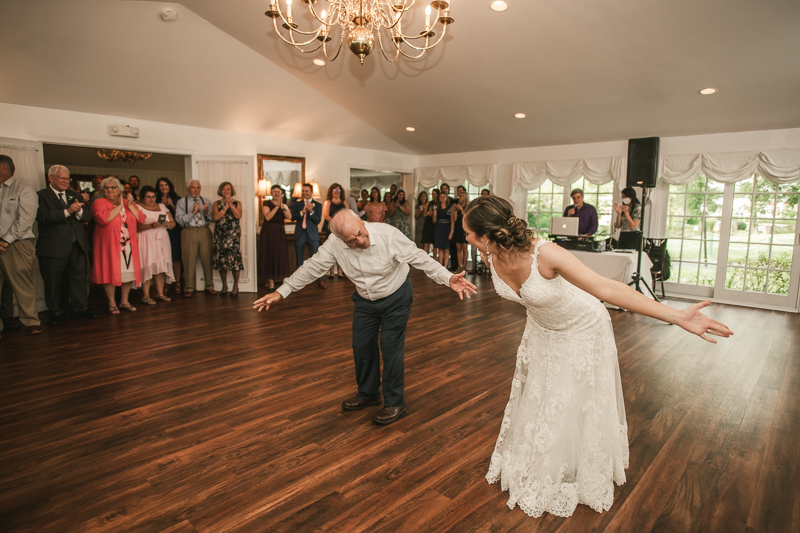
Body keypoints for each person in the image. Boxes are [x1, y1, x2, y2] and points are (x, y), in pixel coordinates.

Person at [462, 195, 732, 518]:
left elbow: (607, 289)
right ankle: (543, 456)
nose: (464, 237)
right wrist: (450, 278)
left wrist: (675, 316)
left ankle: (574, 465)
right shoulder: (490, 256)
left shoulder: (544, 254)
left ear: (488, 235)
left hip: (582, 326)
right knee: (541, 395)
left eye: (468, 233)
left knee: (569, 396)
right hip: (541, 330)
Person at [253, 209, 477, 425]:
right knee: (361, 346)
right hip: (364, 300)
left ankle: (395, 403)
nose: (359, 241)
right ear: (341, 239)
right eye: (351, 240)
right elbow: (313, 267)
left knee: (390, 347)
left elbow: (419, 258)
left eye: (360, 234)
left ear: (362, 222)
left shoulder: (388, 234)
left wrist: (448, 278)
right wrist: (282, 291)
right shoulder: (335, 244)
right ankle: (368, 394)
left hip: (396, 297)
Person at [36, 164, 96, 326]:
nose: (65, 181)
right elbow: (43, 217)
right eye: (62, 178)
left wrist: (79, 212)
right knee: (53, 282)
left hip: (77, 246)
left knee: (78, 279)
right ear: (51, 178)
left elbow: (88, 217)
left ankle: (80, 308)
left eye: (67, 178)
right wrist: (67, 211)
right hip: (52, 248)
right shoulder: (41, 195)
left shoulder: (74, 194)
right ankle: (55, 312)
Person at [91, 176, 146, 314]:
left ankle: (124, 301)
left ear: (120, 190)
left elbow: (141, 218)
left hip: (128, 245)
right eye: (106, 188)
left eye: (113, 187)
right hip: (109, 245)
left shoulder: (128, 202)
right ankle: (111, 302)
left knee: (127, 272)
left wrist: (130, 205)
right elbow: (104, 218)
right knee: (110, 271)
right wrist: (120, 206)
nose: (109, 190)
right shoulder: (99, 202)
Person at [0, 155, 41, 336]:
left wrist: (5, 240)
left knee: (22, 284)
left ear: (3, 168)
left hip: (17, 244)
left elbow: (25, 220)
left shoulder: (23, 190)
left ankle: (31, 321)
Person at [175, 179, 216, 297]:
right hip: (189, 231)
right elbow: (179, 220)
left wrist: (207, 212)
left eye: (198, 188)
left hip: (204, 230)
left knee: (208, 258)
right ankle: (188, 287)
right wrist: (193, 212)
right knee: (188, 259)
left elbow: (212, 219)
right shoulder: (181, 202)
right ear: (188, 189)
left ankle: (209, 285)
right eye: (193, 187)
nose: (195, 190)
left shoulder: (206, 201)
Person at [136, 185, 176, 304]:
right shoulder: (138, 208)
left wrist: (167, 225)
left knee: (160, 265)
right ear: (143, 197)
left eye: (153, 196)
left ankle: (160, 293)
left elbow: (173, 223)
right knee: (147, 264)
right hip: (146, 238)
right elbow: (135, 227)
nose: (151, 199)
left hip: (162, 238)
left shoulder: (162, 206)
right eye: (148, 197)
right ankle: (146, 295)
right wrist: (151, 225)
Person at [290, 182, 325, 289]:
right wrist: (302, 212)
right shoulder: (297, 204)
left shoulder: (318, 205)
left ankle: (320, 280)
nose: (304, 193)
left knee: (316, 258)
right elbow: (292, 217)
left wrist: (311, 211)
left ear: (311, 192)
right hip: (300, 233)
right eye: (303, 191)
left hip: (312, 234)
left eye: (307, 191)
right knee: (299, 258)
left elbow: (318, 220)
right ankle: (298, 281)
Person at [212, 181, 244, 297]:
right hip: (221, 235)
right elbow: (215, 217)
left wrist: (231, 206)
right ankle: (224, 285)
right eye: (224, 189)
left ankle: (236, 286)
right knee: (222, 260)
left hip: (233, 235)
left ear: (232, 191)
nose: (226, 191)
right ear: (221, 191)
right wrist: (224, 209)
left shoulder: (237, 203)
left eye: (228, 189)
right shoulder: (216, 203)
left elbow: (238, 216)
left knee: (234, 260)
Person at [259, 185, 291, 291]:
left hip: (280, 233)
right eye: (274, 192)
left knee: (281, 256)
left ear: (281, 193)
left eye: (278, 192)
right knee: (270, 256)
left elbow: (289, 216)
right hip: (268, 233)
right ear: (271, 193)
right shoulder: (266, 203)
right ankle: (271, 284)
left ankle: (283, 282)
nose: (276, 193)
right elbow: (267, 217)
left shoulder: (284, 205)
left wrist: (282, 206)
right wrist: (277, 207)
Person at [156, 177, 183, 293]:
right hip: (160, 230)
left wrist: (171, 205)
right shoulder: (155, 199)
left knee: (175, 256)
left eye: (165, 185)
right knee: (162, 257)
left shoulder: (177, 199)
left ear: (170, 186)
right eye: (161, 185)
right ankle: (165, 283)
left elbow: (182, 216)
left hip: (174, 231)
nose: (163, 187)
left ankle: (177, 282)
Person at [322, 183, 347, 279]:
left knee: (341, 249)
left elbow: (347, 214)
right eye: (335, 190)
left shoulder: (344, 202)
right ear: (331, 191)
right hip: (330, 228)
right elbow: (326, 216)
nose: (337, 192)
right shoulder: (328, 202)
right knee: (331, 249)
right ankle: (332, 272)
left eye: (339, 190)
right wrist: (335, 224)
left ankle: (340, 271)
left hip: (341, 229)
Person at [468, 188, 491, 274]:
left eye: (485, 194)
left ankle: (484, 267)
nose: (484, 195)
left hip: (486, 233)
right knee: (473, 250)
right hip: (477, 231)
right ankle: (474, 267)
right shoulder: (476, 207)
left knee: (486, 251)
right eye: (482, 194)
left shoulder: (490, 208)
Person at [433, 188, 454, 268]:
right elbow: (434, 221)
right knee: (440, 248)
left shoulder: (450, 207)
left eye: (444, 197)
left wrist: (451, 232)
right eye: (441, 197)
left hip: (447, 228)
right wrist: (434, 213)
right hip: (439, 228)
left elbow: (452, 221)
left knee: (446, 248)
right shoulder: (436, 207)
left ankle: (445, 266)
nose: (442, 198)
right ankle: (440, 265)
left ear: (446, 198)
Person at [451, 186, 469, 271]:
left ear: (464, 197)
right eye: (459, 196)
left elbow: (467, 217)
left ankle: (464, 266)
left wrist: (461, 209)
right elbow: (454, 219)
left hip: (464, 228)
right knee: (458, 247)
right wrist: (455, 210)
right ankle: (459, 265)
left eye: (461, 196)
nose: (460, 198)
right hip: (458, 227)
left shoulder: (468, 206)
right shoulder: (457, 206)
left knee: (464, 248)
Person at [422, 189, 438, 258]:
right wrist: (428, 213)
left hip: (436, 225)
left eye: (434, 193)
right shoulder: (429, 203)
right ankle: (426, 260)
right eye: (432, 194)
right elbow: (424, 214)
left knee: (435, 244)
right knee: (426, 243)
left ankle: (435, 259)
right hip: (428, 224)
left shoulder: (439, 203)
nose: (433, 195)